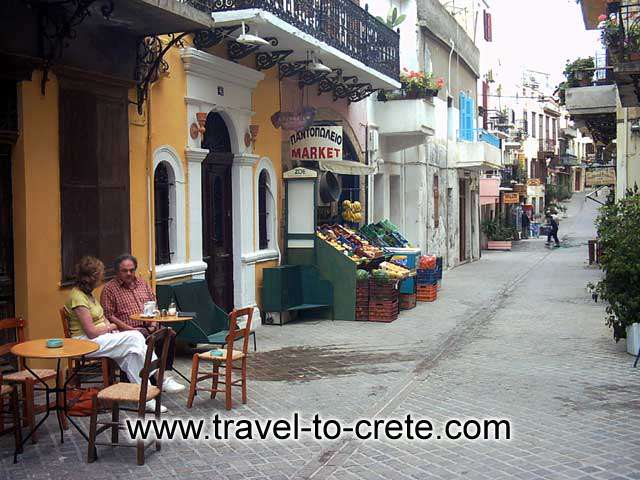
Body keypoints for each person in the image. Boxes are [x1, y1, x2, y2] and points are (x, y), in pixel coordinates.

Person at [64, 256, 167, 413]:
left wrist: (110, 327)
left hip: (101, 337)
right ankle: (160, 376)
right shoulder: (77, 297)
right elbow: (91, 332)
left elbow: (101, 317)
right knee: (135, 336)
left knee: (131, 354)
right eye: (99, 275)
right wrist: (111, 326)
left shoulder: (88, 294)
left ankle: (146, 398)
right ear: (91, 278)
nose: (101, 278)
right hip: (84, 343)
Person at [100, 254, 184, 393]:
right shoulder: (110, 289)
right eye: (124, 271)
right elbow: (109, 316)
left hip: (149, 325)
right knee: (148, 338)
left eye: (131, 270)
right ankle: (156, 378)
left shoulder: (142, 284)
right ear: (117, 271)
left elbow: (154, 305)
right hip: (127, 330)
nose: (129, 273)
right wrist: (130, 329)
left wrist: (153, 324)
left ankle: (163, 373)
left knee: (169, 334)